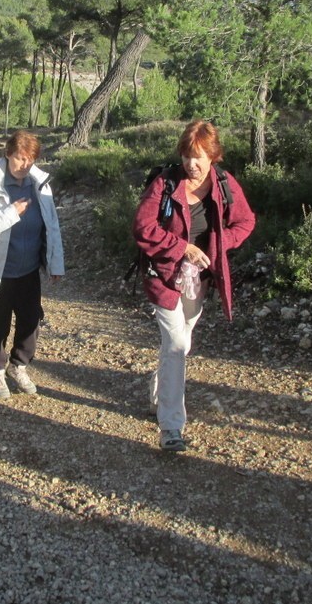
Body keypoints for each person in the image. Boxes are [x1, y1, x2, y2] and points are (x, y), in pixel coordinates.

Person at [132, 121, 255, 452]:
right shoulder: (165, 183)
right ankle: (171, 426)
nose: (192, 164)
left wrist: (219, 243)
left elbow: (246, 221)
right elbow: (142, 227)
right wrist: (181, 247)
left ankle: (160, 392)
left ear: (213, 156)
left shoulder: (224, 184)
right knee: (174, 343)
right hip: (163, 276)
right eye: (187, 156)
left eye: (199, 156)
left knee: (182, 342)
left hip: (198, 279)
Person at [0, 130, 64, 398]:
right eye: (19, 158)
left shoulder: (40, 184)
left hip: (28, 269)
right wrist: (10, 213)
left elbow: (52, 227)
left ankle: (19, 366)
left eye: (30, 160)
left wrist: (55, 264)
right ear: (7, 154)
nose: (24, 165)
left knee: (31, 321)